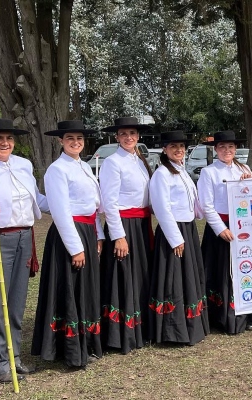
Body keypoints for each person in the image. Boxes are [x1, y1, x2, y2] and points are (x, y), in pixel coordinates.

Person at [0, 119, 48, 382]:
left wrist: (66, 203)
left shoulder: (23, 165)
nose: (5, 143)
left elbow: (36, 199)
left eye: (9, 138)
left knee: (15, 303)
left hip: (23, 237)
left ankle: (13, 358)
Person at [32, 120, 105, 368]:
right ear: (61, 141)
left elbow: (93, 207)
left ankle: (87, 342)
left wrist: (98, 235)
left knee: (86, 289)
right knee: (69, 289)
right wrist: (76, 248)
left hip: (87, 229)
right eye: (70, 138)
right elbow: (61, 211)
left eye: (80, 139)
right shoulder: (56, 170)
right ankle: (69, 349)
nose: (76, 142)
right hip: (69, 235)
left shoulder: (83, 166)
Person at [97, 117, 154, 353]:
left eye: (132, 133)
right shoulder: (112, 162)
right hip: (123, 224)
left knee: (140, 275)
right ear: (117, 137)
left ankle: (140, 328)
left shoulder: (139, 159)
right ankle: (121, 334)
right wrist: (118, 236)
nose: (128, 137)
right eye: (123, 134)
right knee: (123, 277)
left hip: (141, 224)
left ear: (138, 136)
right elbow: (109, 203)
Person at [148, 130, 209, 345]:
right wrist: (175, 239)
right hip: (173, 231)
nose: (179, 150)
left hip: (188, 228)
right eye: (173, 146)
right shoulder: (162, 174)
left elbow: (194, 201)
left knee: (188, 277)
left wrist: (201, 214)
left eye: (181, 146)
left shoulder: (181, 171)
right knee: (173, 279)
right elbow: (162, 209)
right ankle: (173, 330)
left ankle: (192, 325)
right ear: (165, 149)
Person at [197, 131, 252, 334]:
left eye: (230, 147)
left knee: (243, 269)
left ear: (235, 149)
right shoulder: (208, 172)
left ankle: (244, 312)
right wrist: (221, 229)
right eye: (222, 147)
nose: (226, 151)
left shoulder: (244, 168)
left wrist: (248, 183)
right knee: (219, 272)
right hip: (221, 228)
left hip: (242, 226)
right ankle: (220, 317)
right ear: (216, 150)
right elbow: (206, 205)